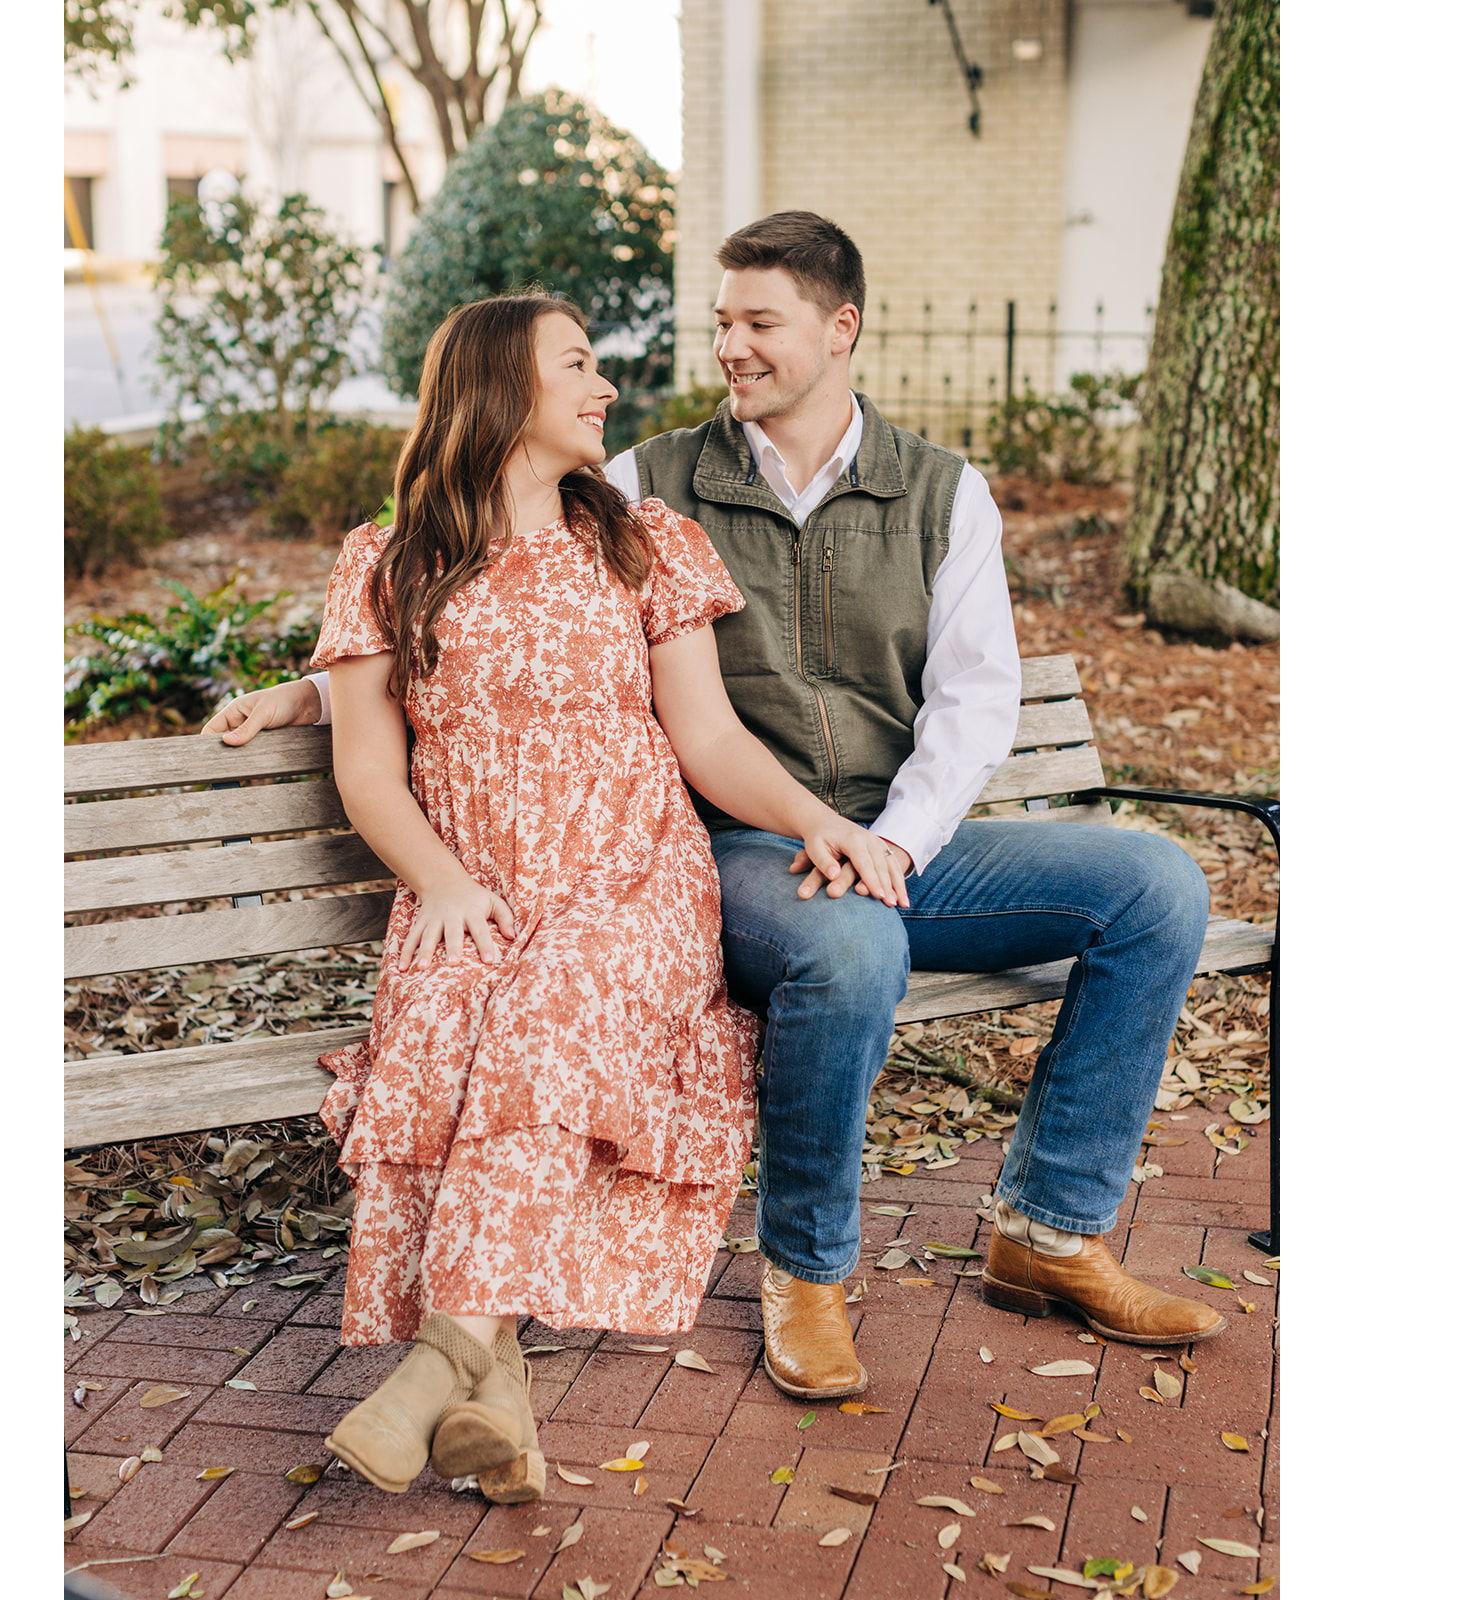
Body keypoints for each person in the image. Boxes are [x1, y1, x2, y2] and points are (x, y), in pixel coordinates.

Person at [209, 212, 1226, 1407]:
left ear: (839, 329)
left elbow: (975, 699)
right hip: (738, 844)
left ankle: (1049, 1229)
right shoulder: (641, 484)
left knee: (1155, 887)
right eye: (721, 323)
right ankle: (807, 1271)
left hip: (891, 836)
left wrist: (891, 841)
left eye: (758, 323)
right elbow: (498, 607)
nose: (729, 347)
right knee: (848, 948)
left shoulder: (943, 495)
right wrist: (316, 691)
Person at [282, 289, 906, 1506]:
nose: (603, 385)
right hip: (471, 889)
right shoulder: (388, 561)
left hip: (630, 882)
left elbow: (708, 739)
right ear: (499, 388)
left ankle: (435, 1359)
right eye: (575, 364)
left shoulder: (639, 542)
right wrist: (442, 881)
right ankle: (495, 1402)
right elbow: (367, 768)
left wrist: (818, 820)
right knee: (451, 1031)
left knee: (544, 1018)